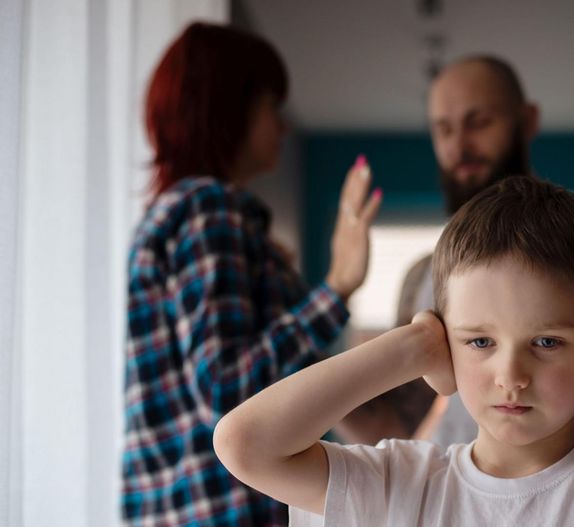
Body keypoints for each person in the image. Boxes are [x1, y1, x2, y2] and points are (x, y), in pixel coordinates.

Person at [214, 176, 574, 526]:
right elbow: (244, 444)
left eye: (547, 342)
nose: (512, 375)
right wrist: (413, 347)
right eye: (479, 341)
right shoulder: (400, 485)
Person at [348, 54, 574, 446]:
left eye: (478, 123)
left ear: (527, 120)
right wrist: (332, 296)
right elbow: (395, 427)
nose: (459, 147)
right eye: (444, 130)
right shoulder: (423, 276)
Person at [122, 23, 381, 525]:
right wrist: (337, 288)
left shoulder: (180, 211)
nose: (283, 126)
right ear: (228, 109)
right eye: (271, 107)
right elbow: (226, 390)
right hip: (223, 509)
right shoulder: (208, 210)